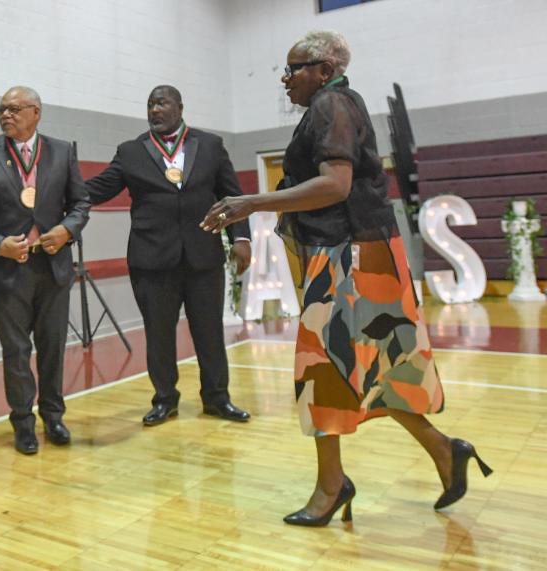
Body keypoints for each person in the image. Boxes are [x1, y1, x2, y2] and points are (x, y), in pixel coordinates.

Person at [201, 30, 492, 526]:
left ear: (322, 67)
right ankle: (444, 451)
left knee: (323, 370)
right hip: (368, 252)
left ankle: (332, 487)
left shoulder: (331, 104)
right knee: (383, 370)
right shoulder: (341, 103)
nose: (285, 78)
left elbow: (335, 185)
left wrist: (249, 202)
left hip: (349, 256)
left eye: (293, 69)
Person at [86, 85, 252, 427]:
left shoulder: (210, 145)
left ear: (179, 106)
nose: (155, 110)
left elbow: (232, 195)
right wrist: (56, 185)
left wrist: (241, 237)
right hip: (151, 261)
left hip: (203, 257)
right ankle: (165, 400)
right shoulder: (130, 151)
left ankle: (217, 399)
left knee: (209, 332)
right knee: (158, 334)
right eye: (150, 104)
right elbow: (98, 189)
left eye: (161, 103)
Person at [0, 86, 90, 455]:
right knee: (16, 350)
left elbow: (80, 202)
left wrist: (67, 231)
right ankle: (23, 423)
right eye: (1, 109)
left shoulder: (62, 152)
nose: (5, 115)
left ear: (36, 112)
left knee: (52, 347)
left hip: (53, 265)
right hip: (6, 268)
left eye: (14, 109)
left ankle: (54, 416)